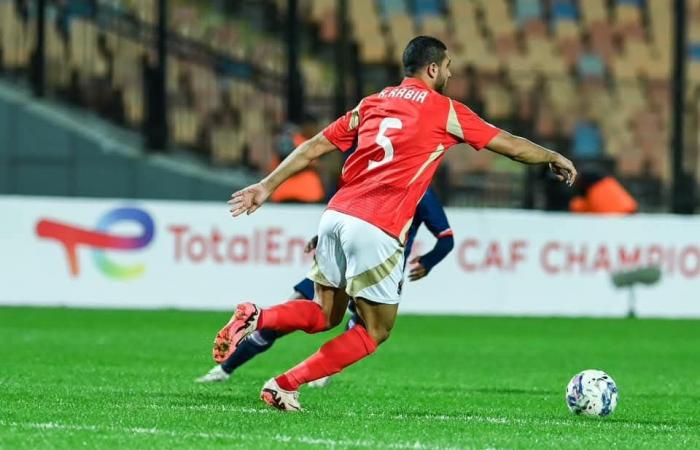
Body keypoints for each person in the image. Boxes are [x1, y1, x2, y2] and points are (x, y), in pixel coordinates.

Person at [222, 36, 576, 411]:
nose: (452, 72)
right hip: (377, 225)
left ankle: (258, 315)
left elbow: (313, 147)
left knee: (324, 312)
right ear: (433, 68)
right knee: (376, 330)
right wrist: (551, 156)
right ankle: (284, 383)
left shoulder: (372, 103)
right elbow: (508, 143)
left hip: (335, 216)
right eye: (449, 65)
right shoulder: (445, 110)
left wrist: (265, 186)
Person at [196, 188, 454, 384]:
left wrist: (429, 261)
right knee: (369, 328)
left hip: (347, 258)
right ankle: (287, 373)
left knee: (310, 314)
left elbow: (445, 239)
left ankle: (236, 356)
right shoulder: (400, 186)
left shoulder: (393, 184)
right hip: (377, 267)